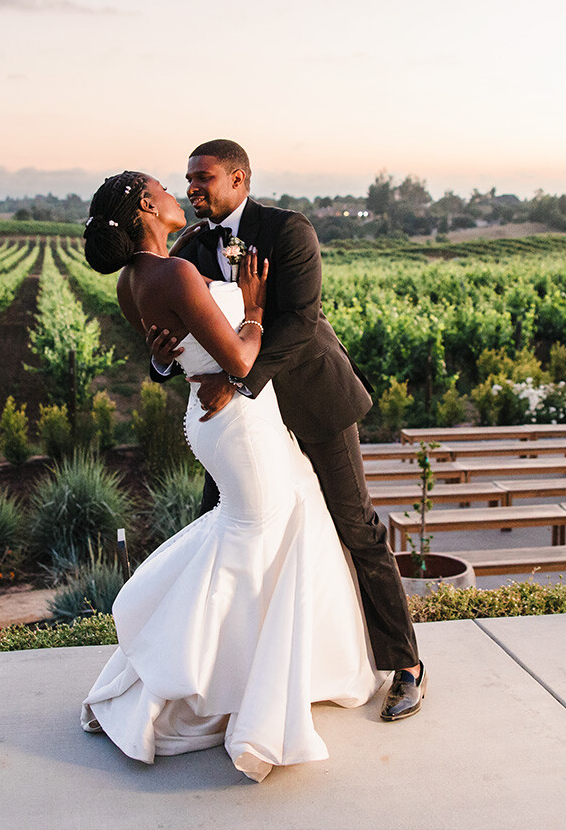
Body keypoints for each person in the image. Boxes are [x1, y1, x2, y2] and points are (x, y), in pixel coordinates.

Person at [78, 170, 381, 782]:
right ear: (145, 205)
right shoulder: (177, 269)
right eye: (165, 187)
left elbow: (171, 351)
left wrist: (167, 357)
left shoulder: (135, 281)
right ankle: (221, 682)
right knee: (260, 534)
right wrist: (256, 306)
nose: (176, 194)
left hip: (216, 415)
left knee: (264, 531)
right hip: (238, 418)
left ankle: (254, 671)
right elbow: (240, 358)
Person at [146, 140, 424, 723]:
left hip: (311, 399)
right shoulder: (191, 249)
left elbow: (299, 323)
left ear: (240, 180)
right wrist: (163, 361)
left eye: (205, 178)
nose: (193, 187)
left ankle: (405, 666)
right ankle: (222, 676)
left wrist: (241, 382)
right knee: (219, 528)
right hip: (245, 423)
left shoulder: (289, 231)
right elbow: (184, 332)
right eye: (188, 179)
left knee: (356, 525)